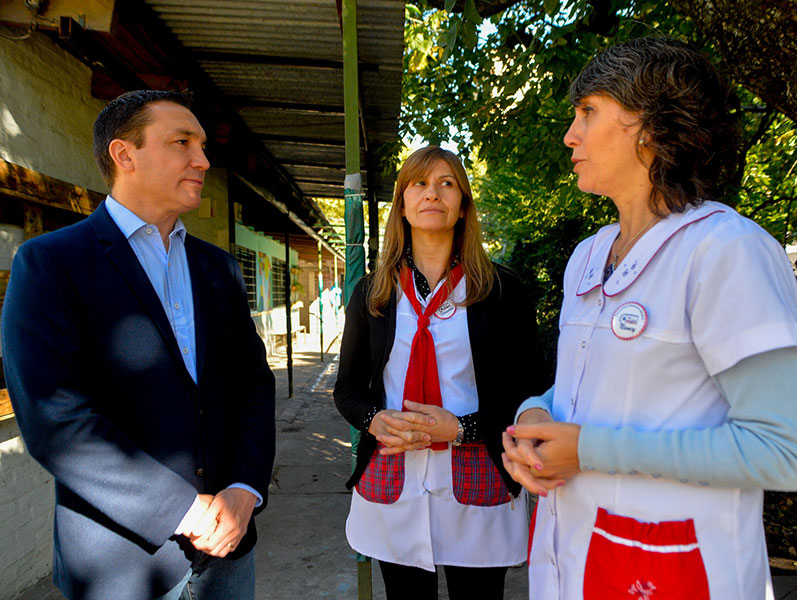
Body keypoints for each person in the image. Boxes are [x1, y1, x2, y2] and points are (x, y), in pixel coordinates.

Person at [501, 37, 797, 600]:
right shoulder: (588, 256)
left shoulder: (725, 250)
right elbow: (590, 389)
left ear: (653, 128)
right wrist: (534, 412)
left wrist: (589, 451)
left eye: (588, 111)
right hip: (573, 559)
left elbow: (786, 450)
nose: (570, 135)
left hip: (678, 572)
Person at [1, 90, 276, 600]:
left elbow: (253, 387)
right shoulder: (51, 263)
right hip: (123, 565)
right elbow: (55, 420)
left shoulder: (219, 268)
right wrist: (181, 510)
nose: (203, 160)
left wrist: (245, 488)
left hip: (231, 546)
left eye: (202, 145)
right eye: (182, 142)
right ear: (124, 154)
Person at [334, 145, 549, 599]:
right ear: (402, 205)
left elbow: (531, 392)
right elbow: (348, 388)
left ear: (463, 205)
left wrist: (462, 428)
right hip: (395, 477)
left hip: (478, 476)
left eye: (446, 184)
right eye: (419, 184)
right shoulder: (372, 293)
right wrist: (374, 420)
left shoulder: (503, 290)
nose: (432, 193)